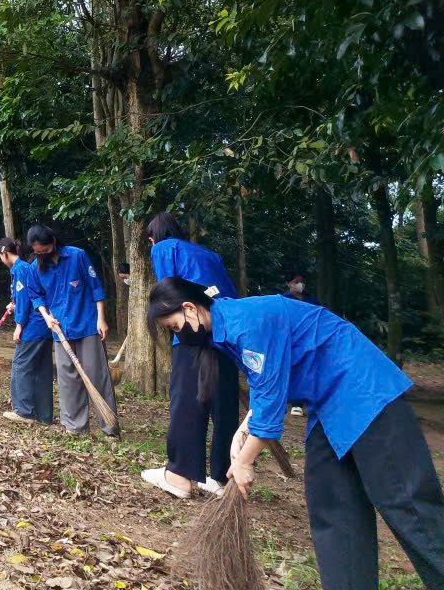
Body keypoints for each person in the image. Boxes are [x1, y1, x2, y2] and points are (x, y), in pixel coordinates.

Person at [148, 278, 444, 590]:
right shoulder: (226, 328)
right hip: (326, 405)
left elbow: (271, 406)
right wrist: (243, 430)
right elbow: (266, 382)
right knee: (333, 506)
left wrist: (244, 462)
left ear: (190, 308)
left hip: (364, 390)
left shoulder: (245, 322)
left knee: (407, 504)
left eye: (174, 326)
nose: (177, 334)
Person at [143, 211, 240, 499]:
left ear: (153, 237)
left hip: (191, 328)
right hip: (224, 327)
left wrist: (172, 324)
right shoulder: (210, 254)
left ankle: (179, 475)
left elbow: (168, 292)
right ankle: (221, 477)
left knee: (187, 399)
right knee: (224, 405)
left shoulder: (164, 248)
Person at [24, 225, 118, 436]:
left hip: (87, 325)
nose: (42, 255)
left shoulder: (77, 256)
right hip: (60, 329)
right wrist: (47, 316)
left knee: (97, 376)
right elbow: (36, 295)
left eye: (45, 250)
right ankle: (75, 427)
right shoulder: (35, 267)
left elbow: (96, 287)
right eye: (38, 252)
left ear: (53, 241)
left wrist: (101, 319)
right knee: (68, 379)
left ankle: (110, 427)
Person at [0, 237, 53, 424]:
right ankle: (44, 415)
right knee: (41, 369)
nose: (1, 260)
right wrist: (14, 304)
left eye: (0, 257)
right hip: (44, 325)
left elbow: (24, 300)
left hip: (33, 326)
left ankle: (24, 411)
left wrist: (19, 326)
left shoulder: (20, 269)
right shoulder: (24, 268)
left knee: (21, 365)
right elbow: (26, 297)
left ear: (5, 253)